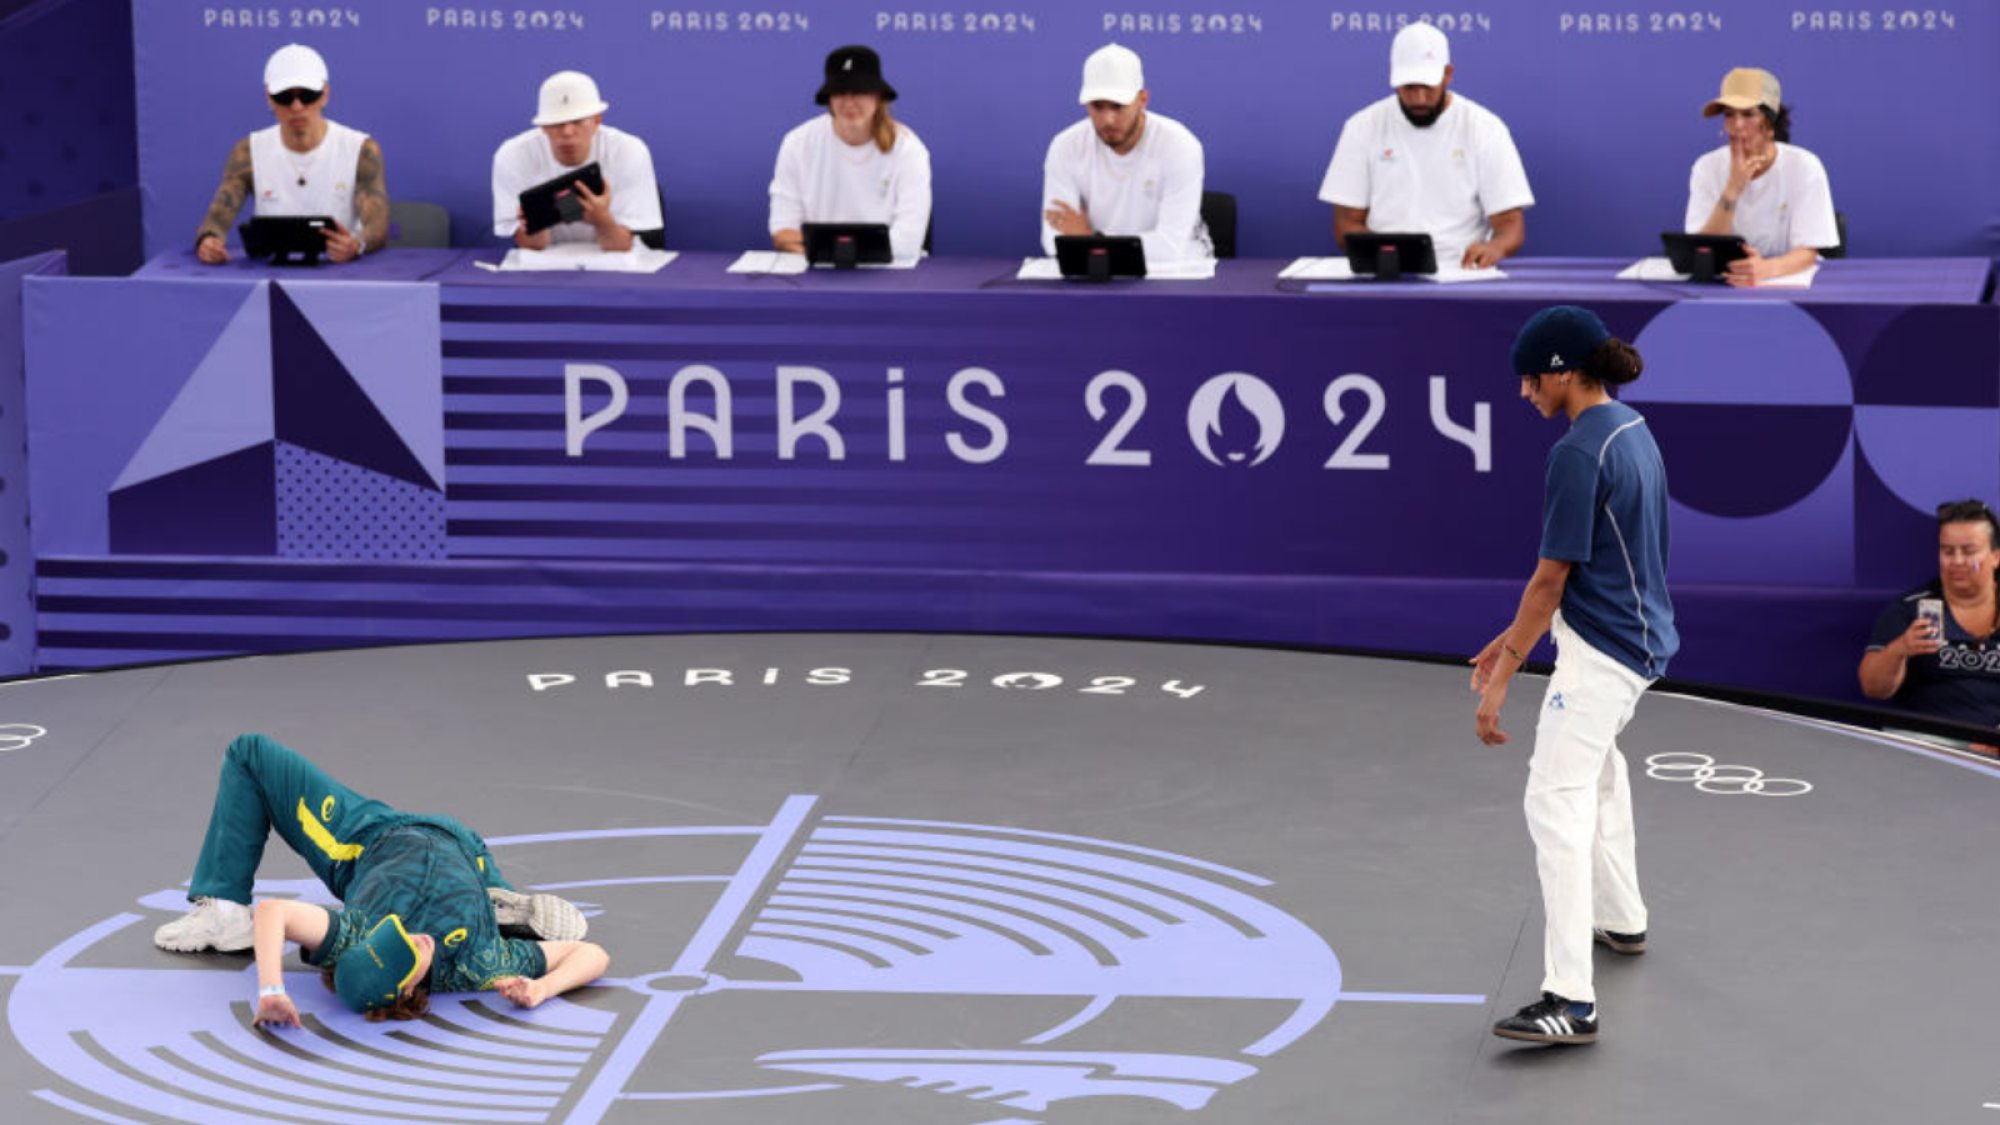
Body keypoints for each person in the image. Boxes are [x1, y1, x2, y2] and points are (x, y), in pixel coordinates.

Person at [1470, 306, 1678, 1046]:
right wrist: (1510, 636)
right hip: (1640, 637)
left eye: (1530, 379)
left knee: (1553, 799)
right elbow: (1595, 565)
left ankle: (1571, 999)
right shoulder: (1632, 429)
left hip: (1604, 653)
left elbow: (1550, 579)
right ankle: (1622, 918)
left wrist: (1504, 672)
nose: (1525, 393)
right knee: (1598, 775)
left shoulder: (1575, 453)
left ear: (1561, 371)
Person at [153, 734, 608, 1025]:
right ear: (407, 988)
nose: (413, 938)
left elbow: (273, 912)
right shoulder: (475, 967)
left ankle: (225, 912)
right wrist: (542, 988)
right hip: (463, 848)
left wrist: (271, 989)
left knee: (250, 754)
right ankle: (494, 905)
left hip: (369, 835)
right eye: (405, 952)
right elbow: (592, 954)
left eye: (394, 937)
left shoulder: (356, 937)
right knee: (488, 921)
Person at [1318, 22, 1531, 269]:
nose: (1419, 98)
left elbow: (1510, 225)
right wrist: (1388, 259)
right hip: (1385, 272)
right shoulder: (1362, 127)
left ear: (1447, 74)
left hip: (1464, 271)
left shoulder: (1485, 128)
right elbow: (1347, 224)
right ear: (1394, 79)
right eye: (1409, 87)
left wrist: (1495, 248)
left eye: (1428, 87)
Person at [193, 44, 387, 265]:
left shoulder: (360, 149)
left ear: (325, 95)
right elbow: (218, 215)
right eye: (285, 97)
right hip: (270, 272)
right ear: (269, 98)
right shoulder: (248, 152)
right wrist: (208, 240)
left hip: (340, 270)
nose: (296, 107)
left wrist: (357, 243)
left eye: (307, 96)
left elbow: (377, 221)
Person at [1040, 43, 1211, 263]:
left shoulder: (1180, 145)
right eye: (1097, 106)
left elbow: (1170, 248)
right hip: (1094, 270)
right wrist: (1093, 245)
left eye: (1117, 106)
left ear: (1142, 100)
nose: (1107, 120)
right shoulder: (1065, 146)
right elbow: (1055, 240)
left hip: (1177, 272)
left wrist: (1088, 239)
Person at [1858, 499, 2000, 754]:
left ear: (1995, 556)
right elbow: (1873, 688)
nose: (1956, 561)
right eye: (1947, 551)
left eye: (1968, 552)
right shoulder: (1909, 607)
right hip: (1926, 742)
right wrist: (1899, 649)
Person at [768, 46, 931, 263]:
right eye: (839, 92)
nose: (849, 102)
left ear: (878, 96)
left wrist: (826, 249)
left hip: (888, 277)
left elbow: (908, 242)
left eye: (860, 91)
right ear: (828, 99)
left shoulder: (909, 150)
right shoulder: (797, 143)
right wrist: (839, 254)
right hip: (815, 276)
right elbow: (782, 230)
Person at [1685, 67, 1837, 287]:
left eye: (1748, 114)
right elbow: (1704, 248)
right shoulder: (1706, 167)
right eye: (1729, 114)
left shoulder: (1804, 167)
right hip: (1723, 284)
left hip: (1785, 283)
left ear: (1770, 124)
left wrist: (1766, 269)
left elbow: (1807, 252)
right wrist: (1733, 188)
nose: (1737, 126)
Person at [492, 70, 663, 252]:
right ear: (543, 127)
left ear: (597, 121)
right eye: (557, 123)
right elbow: (531, 247)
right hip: (548, 265)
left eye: (578, 121)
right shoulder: (513, 155)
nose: (567, 132)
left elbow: (621, 247)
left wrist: (602, 220)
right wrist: (534, 225)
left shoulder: (629, 151)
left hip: (613, 262)